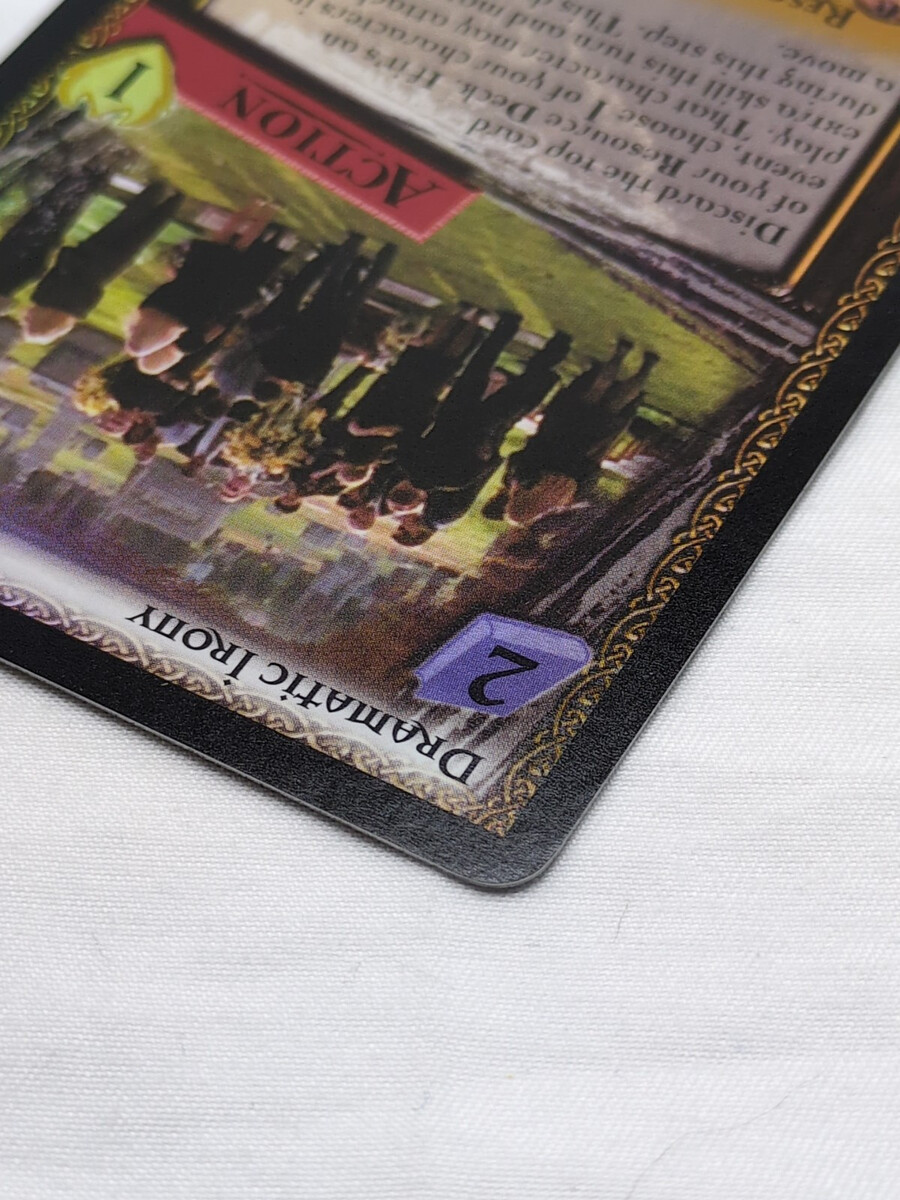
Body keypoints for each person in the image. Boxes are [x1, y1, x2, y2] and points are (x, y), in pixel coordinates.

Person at [503, 349, 660, 527]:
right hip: (557, 430)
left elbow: (591, 473)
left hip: (586, 443)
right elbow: (517, 455)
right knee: (594, 392)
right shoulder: (520, 477)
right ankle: (620, 353)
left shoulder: (564, 499)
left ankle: (647, 366)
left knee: (616, 403)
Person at [20, 180, 183, 344]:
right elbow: (55, 274)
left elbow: (95, 293)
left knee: (142, 235)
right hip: (85, 256)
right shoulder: (41, 298)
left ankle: (175, 202)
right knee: (122, 223)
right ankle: (156, 191)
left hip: (105, 271)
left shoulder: (77, 311)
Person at [125, 223, 290, 359]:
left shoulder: (188, 324)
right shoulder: (147, 309)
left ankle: (273, 238)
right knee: (226, 240)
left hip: (220, 285)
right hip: (196, 271)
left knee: (247, 259)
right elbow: (165, 286)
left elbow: (214, 318)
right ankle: (262, 218)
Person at [0, 159, 111, 311]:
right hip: (26, 242)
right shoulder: (8, 284)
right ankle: (88, 172)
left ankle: (91, 175)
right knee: (51, 209)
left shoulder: (11, 284)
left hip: (31, 243)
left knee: (58, 212)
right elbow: (33, 270)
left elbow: (36, 270)